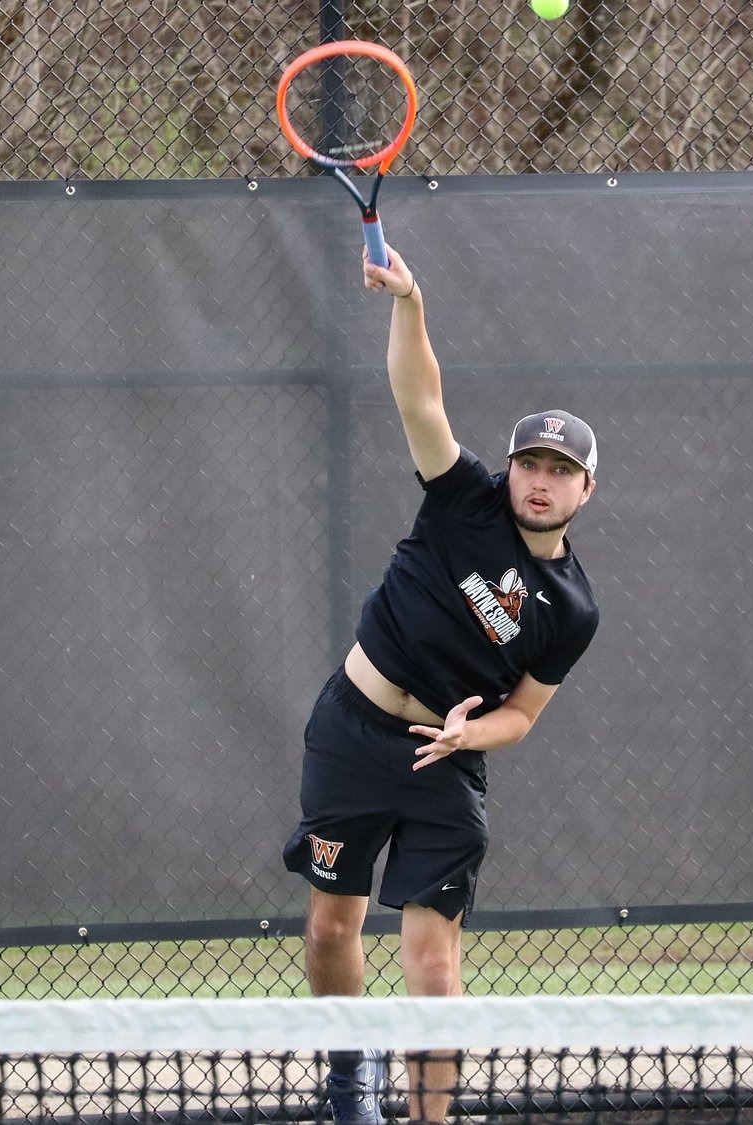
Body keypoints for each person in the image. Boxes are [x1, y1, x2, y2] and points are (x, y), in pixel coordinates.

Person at [282, 244, 602, 1125]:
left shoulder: (571, 610)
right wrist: (411, 300)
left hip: (444, 767)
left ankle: (431, 1122)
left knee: (431, 967)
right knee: (328, 930)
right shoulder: (463, 497)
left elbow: (524, 716)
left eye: (561, 472)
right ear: (514, 468)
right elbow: (418, 395)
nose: (541, 482)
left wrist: (470, 735)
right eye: (532, 464)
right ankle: (351, 1084)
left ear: (586, 489)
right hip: (351, 730)